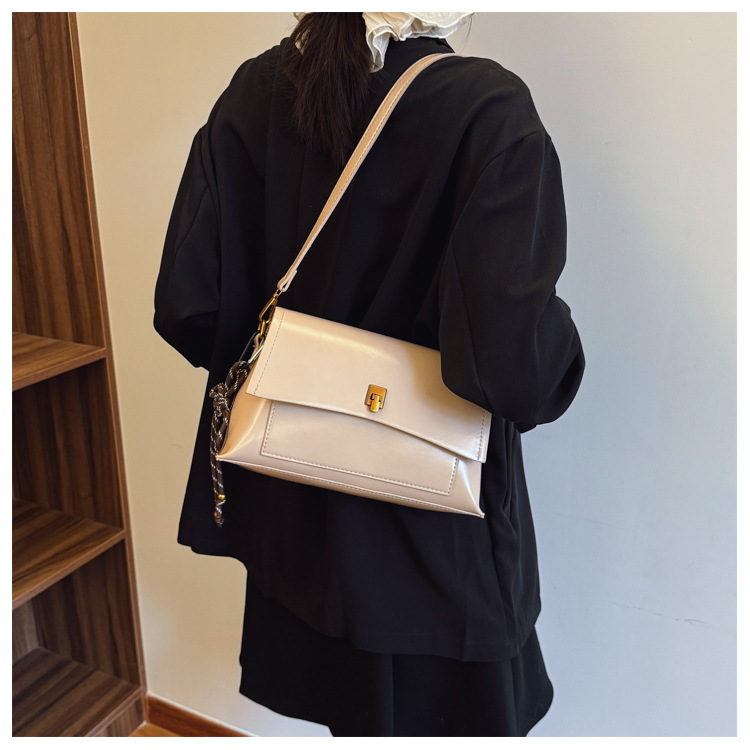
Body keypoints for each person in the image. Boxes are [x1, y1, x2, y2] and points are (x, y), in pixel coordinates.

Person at [154, 12, 585, 737]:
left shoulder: (260, 89)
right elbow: (511, 367)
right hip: (436, 549)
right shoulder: (488, 110)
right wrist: (563, 349)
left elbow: (189, 305)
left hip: (296, 521)